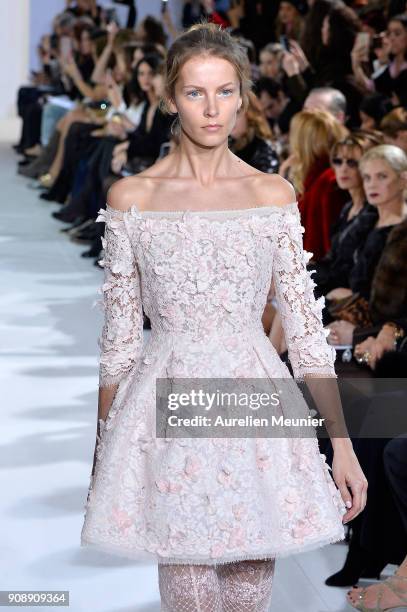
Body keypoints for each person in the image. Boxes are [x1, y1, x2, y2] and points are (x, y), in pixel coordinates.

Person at [80, 22, 367, 609]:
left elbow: (308, 335)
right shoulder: (132, 199)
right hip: (169, 398)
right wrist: (106, 445)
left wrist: (341, 444)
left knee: (246, 597)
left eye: (225, 91)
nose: (212, 110)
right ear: (169, 98)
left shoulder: (272, 195)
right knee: (190, 594)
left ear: (243, 96)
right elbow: (119, 343)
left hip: (256, 401)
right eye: (195, 93)